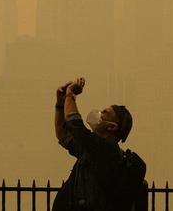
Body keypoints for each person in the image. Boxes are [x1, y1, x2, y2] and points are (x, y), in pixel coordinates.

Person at [52, 77, 141, 211]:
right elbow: (63, 135)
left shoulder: (107, 150)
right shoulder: (92, 150)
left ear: (112, 127)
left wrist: (70, 95)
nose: (99, 113)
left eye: (104, 112)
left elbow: (75, 126)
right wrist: (60, 104)